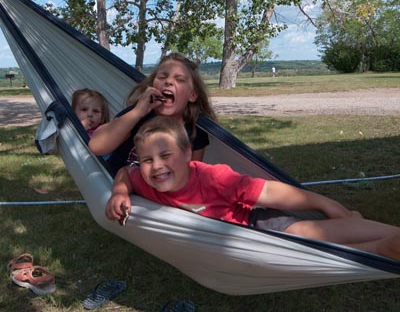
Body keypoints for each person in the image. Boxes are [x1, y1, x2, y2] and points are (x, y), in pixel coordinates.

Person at [106, 116, 400, 261]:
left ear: (186, 155)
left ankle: (383, 242)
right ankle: (377, 244)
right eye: (147, 160)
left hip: (252, 223)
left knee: (303, 236)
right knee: (292, 254)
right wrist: (119, 191)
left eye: (165, 156)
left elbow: (270, 192)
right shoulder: (144, 178)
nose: (156, 166)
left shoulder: (214, 178)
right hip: (226, 244)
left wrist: (322, 202)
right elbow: (125, 173)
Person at [89, 53, 216, 175]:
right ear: (152, 86)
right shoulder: (137, 115)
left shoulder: (195, 132)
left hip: (157, 194)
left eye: (180, 79)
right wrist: (137, 112)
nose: (169, 82)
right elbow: (96, 146)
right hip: (116, 187)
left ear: (192, 95)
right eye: (162, 77)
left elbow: (190, 176)